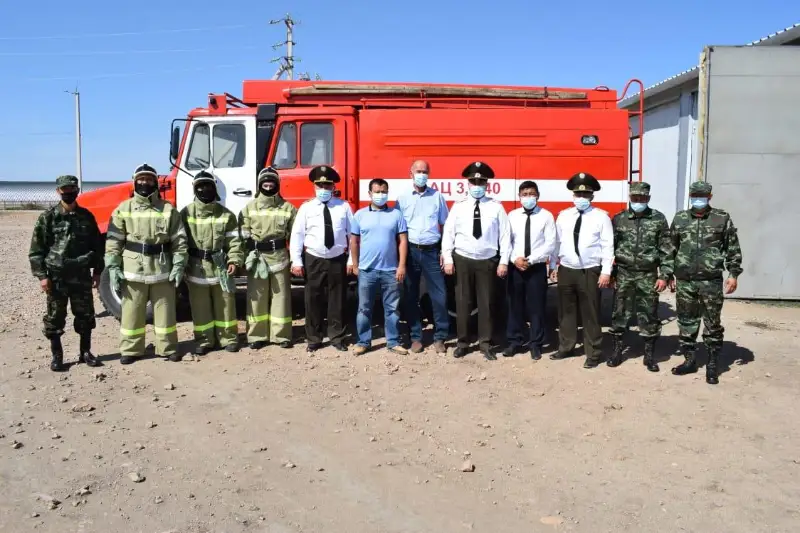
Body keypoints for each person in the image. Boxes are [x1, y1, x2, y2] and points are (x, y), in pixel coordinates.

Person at [104, 163, 188, 364]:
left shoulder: (168, 210)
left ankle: (167, 348)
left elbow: (179, 241)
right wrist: (114, 267)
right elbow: (114, 241)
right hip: (133, 270)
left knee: (165, 313)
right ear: (135, 182)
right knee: (132, 313)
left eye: (149, 179)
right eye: (141, 179)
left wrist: (178, 266)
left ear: (155, 183)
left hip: (162, 270)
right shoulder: (123, 210)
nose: (145, 183)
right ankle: (131, 350)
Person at [668, 181, 742, 385]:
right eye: (695, 195)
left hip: (710, 281)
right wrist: (667, 274)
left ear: (709, 197)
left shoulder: (721, 218)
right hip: (685, 281)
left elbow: (732, 248)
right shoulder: (680, 218)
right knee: (686, 322)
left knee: (712, 323)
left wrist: (733, 274)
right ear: (690, 196)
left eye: (702, 196)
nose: (698, 199)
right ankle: (690, 360)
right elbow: (670, 248)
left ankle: (712, 364)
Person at [28, 174, 104, 371]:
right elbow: (37, 250)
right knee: (55, 318)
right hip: (57, 277)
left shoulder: (86, 217)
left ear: (77, 190)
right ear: (58, 192)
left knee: (85, 315)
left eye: (72, 189)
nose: (69, 193)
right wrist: (42, 276)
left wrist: (97, 272)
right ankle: (57, 356)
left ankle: (85, 352)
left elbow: (97, 247)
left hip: (81, 276)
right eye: (65, 190)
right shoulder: (48, 217)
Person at [442, 161, 511, 360]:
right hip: (462, 259)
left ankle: (485, 343)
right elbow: (448, 233)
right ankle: (462, 342)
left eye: (481, 182)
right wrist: (448, 258)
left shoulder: (496, 207)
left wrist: (503, 261)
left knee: (487, 303)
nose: (477, 185)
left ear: (487, 184)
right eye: (474, 181)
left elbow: (505, 236)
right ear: (468, 184)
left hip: (487, 261)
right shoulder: (458, 206)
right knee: (463, 302)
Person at [607, 181, 673, 372]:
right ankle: (617, 351)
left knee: (649, 314)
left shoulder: (658, 219)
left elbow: (666, 249)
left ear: (648, 198)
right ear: (630, 198)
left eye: (642, 198)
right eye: (635, 198)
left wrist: (665, 275)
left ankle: (649, 355)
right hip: (624, 273)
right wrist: (611, 273)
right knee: (620, 313)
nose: (638, 201)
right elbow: (610, 248)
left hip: (648, 274)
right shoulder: (619, 219)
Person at [550, 172, 613, 368]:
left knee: (591, 313)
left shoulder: (601, 217)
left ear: (592, 197)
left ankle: (593, 352)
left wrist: (606, 272)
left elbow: (607, 246)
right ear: (573, 196)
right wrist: (553, 265)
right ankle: (566, 346)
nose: (582, 199)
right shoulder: (563, 216)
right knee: (566, 311)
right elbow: (556, 242)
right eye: (578, 195)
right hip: (567, 269)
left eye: (586, 195)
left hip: (590, 270)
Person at [289, 165, 355, 353]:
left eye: (328, 186)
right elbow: (297, 235)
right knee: (313, 299)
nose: (324, 190)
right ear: (314, 187)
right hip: (314, 258)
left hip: (337, 259)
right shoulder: (306, 208)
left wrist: (351, 260)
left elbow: (352, 236)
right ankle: (314, 338)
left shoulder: (343, 207)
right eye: (321, 186)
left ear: (333, 187)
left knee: (338, 300)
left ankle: (337, 337)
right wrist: (297, 261)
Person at [181, 171, 245, 355]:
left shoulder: (226, 215)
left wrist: (234, 259)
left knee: (225, 304)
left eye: (208, 185)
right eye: (199, 186)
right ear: (194, 189)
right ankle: (204, 340)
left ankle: (229, 339)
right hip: (196, 267)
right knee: (200, 307)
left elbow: (234, 241)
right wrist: (182, 264)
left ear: (214, 189)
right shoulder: (185, 213)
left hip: (220, 267)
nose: (204, 189)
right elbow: (180, 241)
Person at [395, 160, 450, 354]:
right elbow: (398, 229)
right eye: (418, 171)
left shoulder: (437, 197)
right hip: (410, 251)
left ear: (429, 174)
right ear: (410, 173)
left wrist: (445, 251)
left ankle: (440, 337)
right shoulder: (402, 199)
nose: (421, 174)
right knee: (410, 295)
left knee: (439, 295)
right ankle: (416, 337)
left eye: (425, 171)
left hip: (432, 251)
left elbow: (446, 225)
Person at [240, 167, 297, 350]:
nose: (268, 184)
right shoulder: (249, 208)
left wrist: (295, 259)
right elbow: (242, 235)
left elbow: (294, 236)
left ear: (278, 184)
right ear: (259, 184)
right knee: (256, 298)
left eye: (272, 181)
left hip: (280, 257)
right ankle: (257, 335)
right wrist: (243, 259)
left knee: (281, 297)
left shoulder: (288, 208)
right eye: (265, 181)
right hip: (257, 259)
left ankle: (281, 336)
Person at [350, 179, 409, 355]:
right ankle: (363, 342)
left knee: (392, 308)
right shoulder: (360, 215)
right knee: (364, 308)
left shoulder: (396, 214)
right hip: (367, 270)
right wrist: (355, 264)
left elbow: (403, 241)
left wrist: (401, 266)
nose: (380, 195)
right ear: (369, 194)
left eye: (383, 191)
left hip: (391, 270)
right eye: (377, 191)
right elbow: (354, 241)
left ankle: (392, 342)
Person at [503, 180, 556, 360]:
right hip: (515, 266)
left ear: (538, 196)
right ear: (519, 197)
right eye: (524, 194)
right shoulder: (512, 216)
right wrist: (514, 260)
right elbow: (506, 242)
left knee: (537, 307)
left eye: (531, 194)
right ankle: (514, 342)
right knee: (514, 305)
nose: (528, 198)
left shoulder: (546, 216)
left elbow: (550, 243)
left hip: (536, 267)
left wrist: (530, 260)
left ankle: (536, 343)